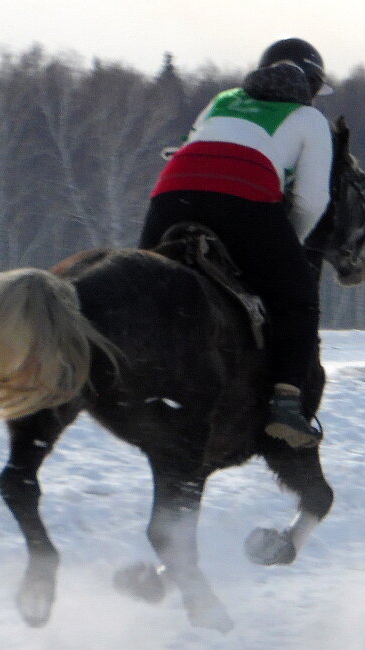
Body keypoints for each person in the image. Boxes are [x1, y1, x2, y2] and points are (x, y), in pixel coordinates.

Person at [139, 37, 334, 448]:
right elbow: (313, 200)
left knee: (142, 279)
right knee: (298, 297)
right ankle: (285, 404)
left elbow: (191, 143)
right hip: (244, 198)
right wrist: (287, 249)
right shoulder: (308, 118)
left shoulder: (223, 99)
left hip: (175, 190)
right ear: (312, 86)